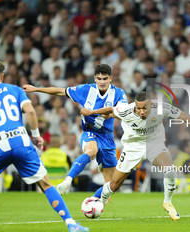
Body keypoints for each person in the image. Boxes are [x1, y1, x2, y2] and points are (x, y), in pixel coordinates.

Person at [0, 59, 89, 232]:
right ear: (2, 75)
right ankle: (70, 223)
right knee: (46, 184)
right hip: (21, 142)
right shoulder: (15, 90)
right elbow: (31, 111)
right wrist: (36, 136)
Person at [80, 92, 190, 220]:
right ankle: (100, 204)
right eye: (138, 108)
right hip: (133, 147)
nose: (141, 111)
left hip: (154, 144)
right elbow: (111, 110)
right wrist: (92, 112)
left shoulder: (162, 108)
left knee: (170, 169)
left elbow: (187, 117)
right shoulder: (126, 110)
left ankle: (167, 202)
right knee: (114, 185)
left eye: (145, 108)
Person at [23, 64, 128, 197]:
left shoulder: (119, 93)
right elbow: (61, 91)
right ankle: (67, 181)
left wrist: (110, 114)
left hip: (107, 137)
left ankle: (96, 204)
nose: (102, 82)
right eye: (99, 78)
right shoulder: (85, 89)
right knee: (91, 151)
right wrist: (37, 89)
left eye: (105, 78)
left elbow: (123, 112)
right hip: (90, 132)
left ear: (110, 78)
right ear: (95, 78)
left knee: (112, 185)